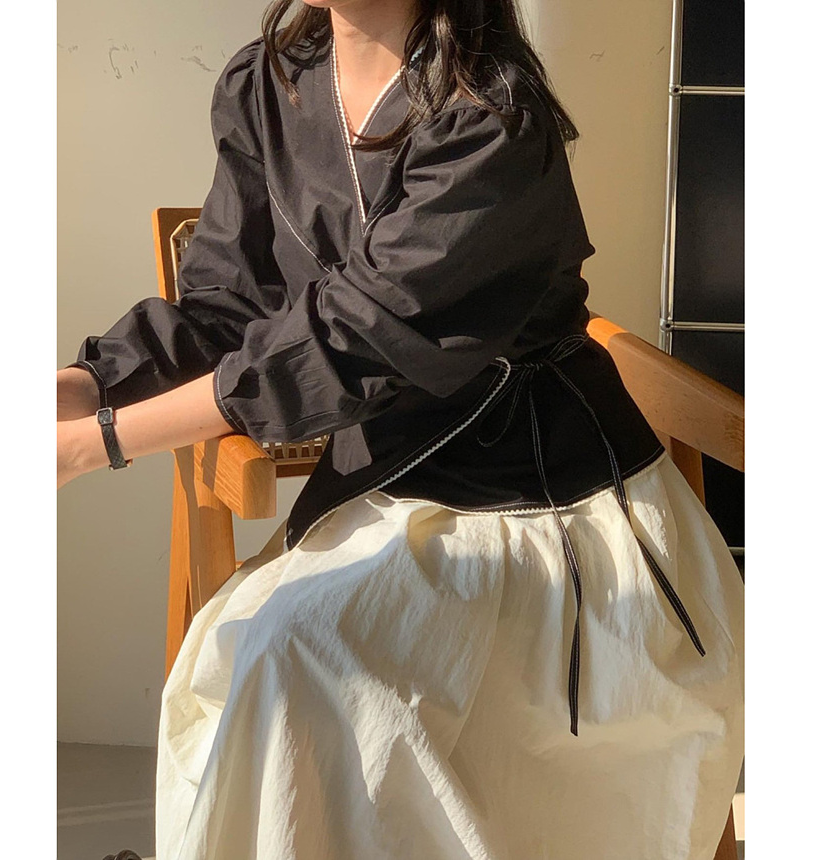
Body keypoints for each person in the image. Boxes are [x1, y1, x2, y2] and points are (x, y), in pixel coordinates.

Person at [56, 1, 745, 858]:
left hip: (547, 511)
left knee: (298, 657)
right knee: (265, 657)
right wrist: (86, 383)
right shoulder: (271, 82)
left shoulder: (492, 116)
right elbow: (228, 304)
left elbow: (351, 339)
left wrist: (102, 440)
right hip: (387, 485)